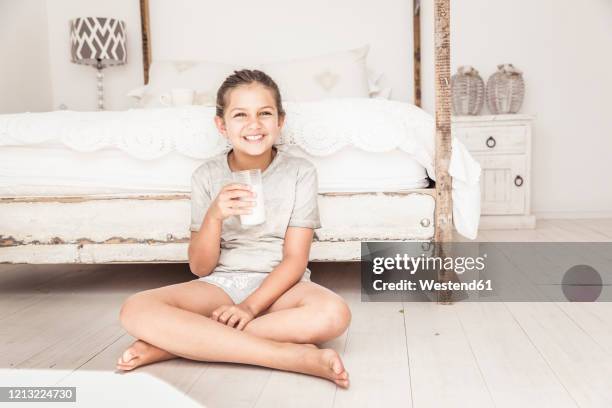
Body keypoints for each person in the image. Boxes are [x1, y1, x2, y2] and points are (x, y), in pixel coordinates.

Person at [116, 69, 351, 388]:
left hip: (281, 287)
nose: (254, 125)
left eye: (264, 113)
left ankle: (171, 345)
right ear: (222, 125)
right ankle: (290, 357)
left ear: (280, 121)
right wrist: (214, 215)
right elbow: (200, 267)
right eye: (240, 115)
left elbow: (295, 260)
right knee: (136, 309)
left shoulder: (300, 173)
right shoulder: (206, 176)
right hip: (222, 283)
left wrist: (249, 307)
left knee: (333, 313)